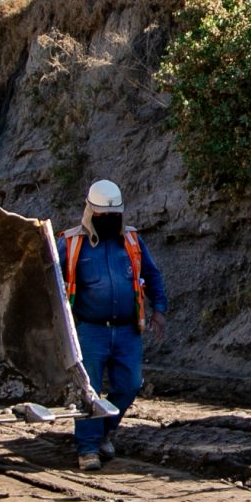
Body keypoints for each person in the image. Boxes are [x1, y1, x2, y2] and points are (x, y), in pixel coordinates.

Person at [62, 179, 165, 470]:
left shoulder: (132, 241)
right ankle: (88, 449)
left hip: (127, 330)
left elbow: (153, 276)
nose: (109, 220)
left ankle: (106, 430)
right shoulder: (71, 244)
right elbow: (54, 285)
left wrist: (159, 309)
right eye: (103, 216)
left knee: (130, 384)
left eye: (114, 215)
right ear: (90, 213)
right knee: (89, 392)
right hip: (90, 330)